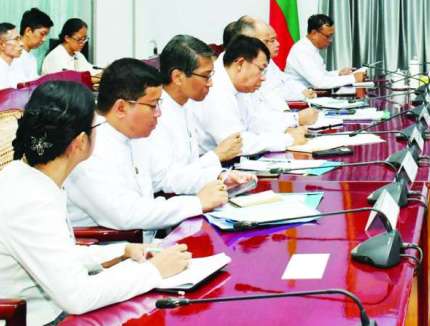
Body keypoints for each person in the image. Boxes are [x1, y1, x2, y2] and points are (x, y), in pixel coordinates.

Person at [0, 81, 191, 325]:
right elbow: (78, 297)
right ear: (80, 142)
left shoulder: (28, 177)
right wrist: (154, 271)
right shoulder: (30, 201)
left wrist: (121, 251)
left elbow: (58, 255)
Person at [65, 58, 229, 236]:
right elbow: (126, 214)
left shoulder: (133, 134)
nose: (158, 113)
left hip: (145, 241)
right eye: (153, 105)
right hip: (112, 246)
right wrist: (197, 203)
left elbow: (165, 177)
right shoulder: (88, 148)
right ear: (121, 108)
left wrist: (219, 177)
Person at [135, 35, 255, 192]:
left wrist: (222, 176)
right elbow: (163, 182)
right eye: (206, 76)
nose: (210, 83)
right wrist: (216, 157)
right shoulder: (155, 114)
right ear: (178, 77)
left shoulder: (186, 104)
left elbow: (189, 168)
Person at [191, 35, 307, 156]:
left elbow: (254, 121)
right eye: (261, 69)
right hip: (212, 162)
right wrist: (287, 139)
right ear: (240, 64)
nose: (263, 78)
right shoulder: (216, 88)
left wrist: (287, 129)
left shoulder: (238, 83)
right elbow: (237, 144)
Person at [284, 14, 365, 98]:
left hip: (309, 95)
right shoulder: (301, 50)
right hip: (298, 99)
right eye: (328, 36)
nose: (330, 40)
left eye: (332, 36)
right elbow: (320, 82)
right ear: (314, 33)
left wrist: (339, 73)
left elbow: (321, 75)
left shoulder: (311, 48)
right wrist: (353, 78)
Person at [17, 7, 53, 81]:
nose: (44, 39)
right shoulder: (13, 55)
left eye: (46, 35)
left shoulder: (32, 58)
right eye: (42, 34)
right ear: (28, 31)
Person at [0, 23, 25, 90]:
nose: (21, 44)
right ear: (2, 44)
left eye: (20, 39)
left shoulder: (18, 64)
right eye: (16, 39)